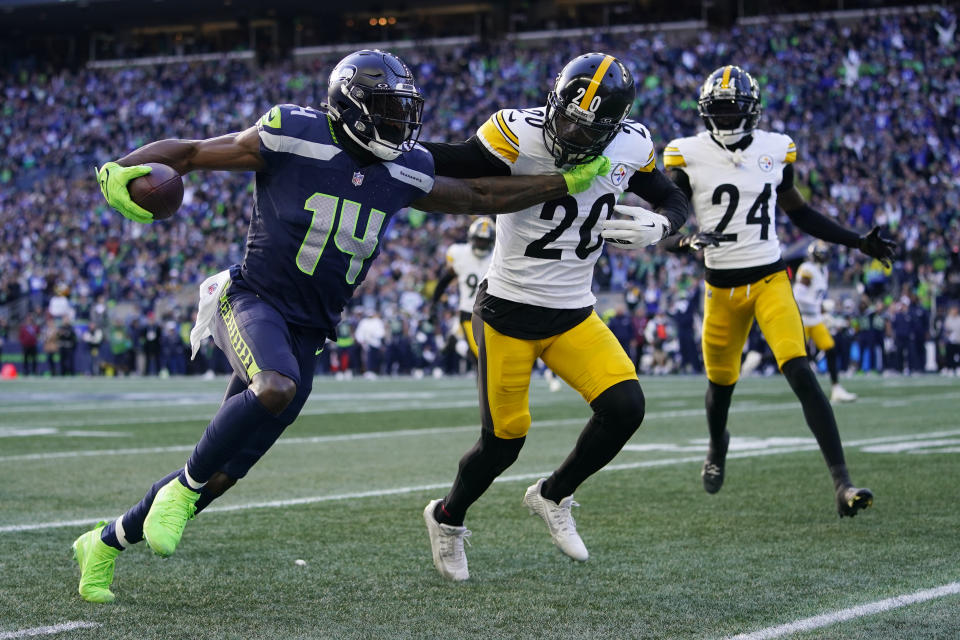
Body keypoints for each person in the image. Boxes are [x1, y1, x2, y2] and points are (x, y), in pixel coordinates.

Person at [71, 49, 609, 603]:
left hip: (311, 330)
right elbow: (188, 153)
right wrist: (125, 167)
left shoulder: (404, 167)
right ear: (351, 105)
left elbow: (479, 195)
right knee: (271, 390)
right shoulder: (291, 133)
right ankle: (181, 488)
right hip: (253, 299)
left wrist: (562, 183)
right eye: (387, 109)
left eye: (405, 110)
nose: (401, 123)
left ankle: (104, 543)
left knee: (230, 469)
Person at [419, 52, 689, 581]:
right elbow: (452, 160)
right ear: (553, 101)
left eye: (585, 125)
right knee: (504, 442)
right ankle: (447, 518)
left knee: (626, 406)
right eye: (565, 115)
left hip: (572, 313)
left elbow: (671, 196)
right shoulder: (516, 132)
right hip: (506, 311)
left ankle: (553, 494)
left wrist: (662, 226)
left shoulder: (632, 145)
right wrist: (385, 152)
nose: (568, 130)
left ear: (612, 127)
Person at [660, 65, 896, 517]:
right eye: (721, 110)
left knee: (801, 373)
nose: (727, 118)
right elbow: (668, 221)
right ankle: (717, 445)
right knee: (721, 387)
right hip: (721, 289)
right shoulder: (685, 153)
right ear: (707, 112)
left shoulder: (775, 148)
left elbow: (799, 213)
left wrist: (856, 241)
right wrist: (684, 242)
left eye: (735, 110)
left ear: (752, 111)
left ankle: (842, 483)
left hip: (770, 279)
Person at [792, 240, 857, 402]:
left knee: (830, 349)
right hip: (803, 318)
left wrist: (821, 308)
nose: (825, 257)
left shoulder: (823, 271)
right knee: (795, 355)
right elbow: (798, 296)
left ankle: (836, 388)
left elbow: (814, 296)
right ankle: (758, 357)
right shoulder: (807, 269)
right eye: (823, 254)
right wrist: (819, 306)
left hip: (815, 319)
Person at [430, 216, 495, 365]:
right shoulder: (459, 254)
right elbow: (445, 280)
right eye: (479, 239)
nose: (481, 244)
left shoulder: (497, 256)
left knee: (489, 357)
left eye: (485, 241)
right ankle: (454, 341)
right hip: (469, 313)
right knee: (483, 357)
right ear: (471, 238)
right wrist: (434, 303)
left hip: (493, 314)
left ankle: (454, 341)